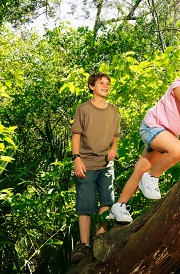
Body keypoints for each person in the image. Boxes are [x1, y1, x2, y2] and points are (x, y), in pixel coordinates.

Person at [109, 51, 180, 223]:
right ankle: (151, 178)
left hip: (166, 134)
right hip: (153, 127)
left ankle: (119, 207)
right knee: (178, 150)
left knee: (140, 169)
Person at [69, 72, 121, 263]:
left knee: (107, 200)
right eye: (101, 83)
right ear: (92, 86)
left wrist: (113, 149)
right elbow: (76, 135)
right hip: (86, 164)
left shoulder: (114, 110)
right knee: (85, 206)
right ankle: (84, 245)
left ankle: (100, 237)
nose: (105, 86)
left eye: (108, 83)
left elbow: (115, 136)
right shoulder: (83, 109)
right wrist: (77, 159)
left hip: (106, 165)